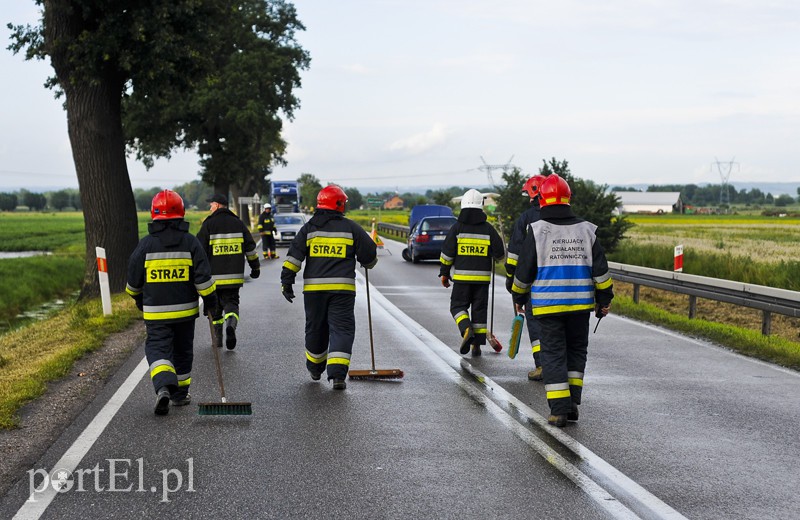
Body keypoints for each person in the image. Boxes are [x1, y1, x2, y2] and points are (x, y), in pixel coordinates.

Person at [510, 174, 613, 427]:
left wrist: (518, 296)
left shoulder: (536, 231)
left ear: (542, 199)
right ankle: (573, 404)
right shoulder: (588, 230)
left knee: (553, 354)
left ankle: (558, 411)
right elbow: (601, 272)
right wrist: (604, 299)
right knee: (576, 353)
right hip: (580, 306)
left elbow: (523, 272)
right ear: (568, 199)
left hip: (548, 305)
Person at [126, 189, 220, 415]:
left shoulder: (146, 245)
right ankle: (179, 395)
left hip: (156, 314)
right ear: (181, 213)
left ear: (154, 215)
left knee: (158, 348)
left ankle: (163, 388)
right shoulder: (190, 243)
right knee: (183, 351)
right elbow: (203, 278)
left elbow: (132, 284)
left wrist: (140, 301)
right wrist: (210, 302)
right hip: (185, 313)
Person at [280, 185, 377, 390]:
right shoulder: (351, 228)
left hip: (314, 292)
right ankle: (338, 376)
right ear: (339, 204)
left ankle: (315, 368)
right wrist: (368, 262)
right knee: (341, 329)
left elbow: (293, 257)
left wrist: (286, 282)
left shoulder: (309, 228)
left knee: (315, 328)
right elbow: (369, 253)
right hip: (342, 291)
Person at [439, 189, 505, 357]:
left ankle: (466, 328)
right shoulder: (488, 229)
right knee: (479, 312)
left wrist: (444, 274)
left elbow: (447, 254)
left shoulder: (457, 228)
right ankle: (476, 346)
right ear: (481, 207)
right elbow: (500, 254)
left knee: (457, 306)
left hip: (462, 280)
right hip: (482, 281)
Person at [196, 193, 261, 350]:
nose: (210, 207)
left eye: (211, 204)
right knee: (232, 303)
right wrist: (255, 267)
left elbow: (199, 252)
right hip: (233, 278)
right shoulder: (238, 223)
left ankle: (218, 339)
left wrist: (198, 275)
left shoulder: (208, 225)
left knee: (214, 308)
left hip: (213, 279)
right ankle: (231, 324)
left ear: (217, 205)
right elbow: (251, 248)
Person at [505, 174, 547, 381]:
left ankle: (541, 365)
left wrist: (510, 278)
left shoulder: (526, 219)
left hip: (532, 280)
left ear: (532, 192)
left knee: (534, 321)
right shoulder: (561, 217)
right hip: (559, 279)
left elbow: (515, 254)